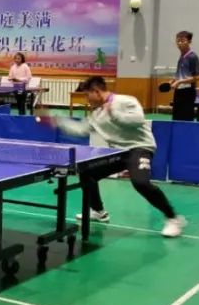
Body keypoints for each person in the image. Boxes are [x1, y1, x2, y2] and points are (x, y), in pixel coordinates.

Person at [38, 75, 186, 238]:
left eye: (87, 95)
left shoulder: (126, 101)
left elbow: (137, 121)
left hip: (139, 148)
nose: (87, 99)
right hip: (118, 153)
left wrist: (113, 113)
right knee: (87, 173)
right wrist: (57, 122)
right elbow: (81, 130)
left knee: (141, 183)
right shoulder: (97, 114)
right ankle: (98, 211)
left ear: (96, 91)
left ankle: (173, 218)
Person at [170, 31, 199, 122]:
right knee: (176, 119)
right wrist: (174, 80)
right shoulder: (182, 56)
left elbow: (198, 77)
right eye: (178, 41)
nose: (180, 43)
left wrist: (180, 82)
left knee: (186, 120)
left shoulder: (192, 57)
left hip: (188, 93)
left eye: (182, 41)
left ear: (189, 41)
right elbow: (181, 75)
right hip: (178, 92)